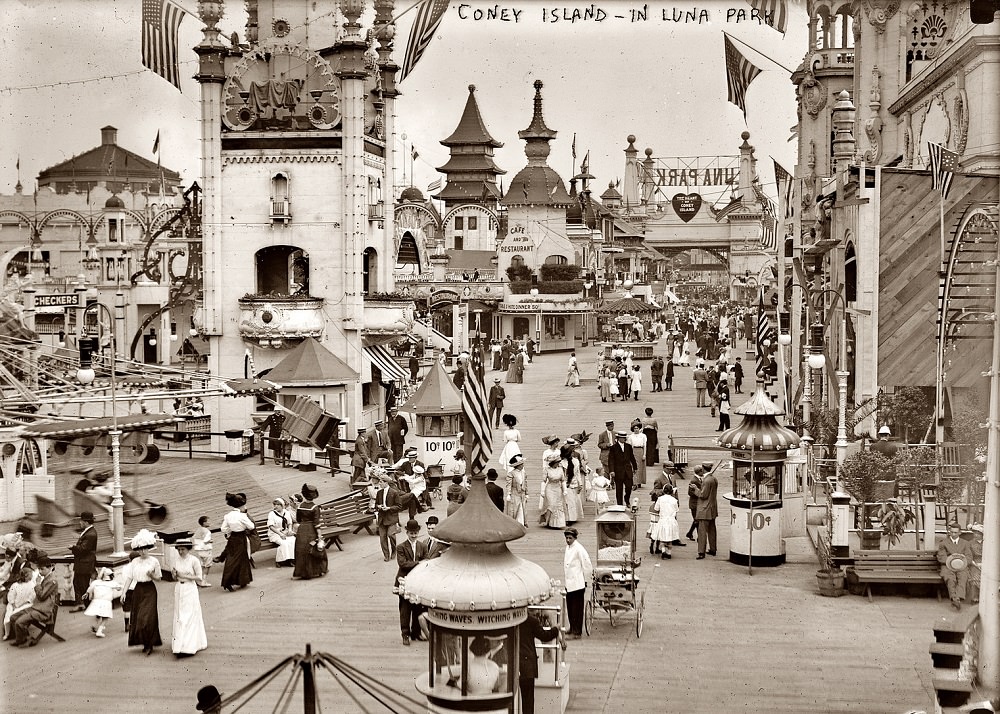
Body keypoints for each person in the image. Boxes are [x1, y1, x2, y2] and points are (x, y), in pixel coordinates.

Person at [120, 530, 163, 655]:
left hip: (149, 590)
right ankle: (145, 642)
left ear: (148, 548)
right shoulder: (134, 562)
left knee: (148, 617)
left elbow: (159, 578)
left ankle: (150, 644)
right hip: (138, 590)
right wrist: (124, 592)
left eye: (145, 549)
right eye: (140, 549)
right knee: (139, 618)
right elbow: (129, 578)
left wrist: (152, 575)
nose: (142, 552)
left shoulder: (154, 561)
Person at [10, 555, 58, 648]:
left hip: (44, 611)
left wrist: (38, 584)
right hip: (36, 607)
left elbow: (42, 596)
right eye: (39, 569)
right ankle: (21, 639)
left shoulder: (52, 581)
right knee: (13, 617)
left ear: (49, 568)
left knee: (19, 622)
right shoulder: (46, 578)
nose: (40, 572)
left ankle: (24, 640)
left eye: (42, 569)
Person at [518, 611, 561, 714]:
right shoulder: (531, 621)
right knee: (528, 698)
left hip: (513, 662)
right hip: (527, 663)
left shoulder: (511, 620)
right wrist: (556, 629)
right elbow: (545, 636)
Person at [170, 539, 208, 657]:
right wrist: (174, 574)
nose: (180, 552)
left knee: (189, 615)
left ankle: (188, 646)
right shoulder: (176, 560)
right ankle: (179, 645)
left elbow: (199, 577)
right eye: (179, 549)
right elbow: (174, 577)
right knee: (179, 615)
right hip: (179, 589)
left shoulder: (194, 560)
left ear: (188, 549)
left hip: (190, 589)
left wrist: (184, 575)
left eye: (183, 549)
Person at [395, 519, 428, 646]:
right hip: (404, 581)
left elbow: (427, 560)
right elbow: (402, 564)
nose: (414, 536)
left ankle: (416, 633)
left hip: (418, 582)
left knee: (417, 608)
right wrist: (418, 563)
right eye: (411, 534)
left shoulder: (422, 546)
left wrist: (421, 563)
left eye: (415, 533)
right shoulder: (401, 547)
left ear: (418, 532)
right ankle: (405, 634)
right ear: (407, 533)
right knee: (405, 609)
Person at [218, 492, 254, 591]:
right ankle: (242, 579)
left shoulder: (228, 516)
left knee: (232, 558)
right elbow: (251, 526)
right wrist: (242, 526)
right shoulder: (241, 516)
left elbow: (223, 529)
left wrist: (231, 530)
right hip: (241, 537)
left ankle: (228, 581)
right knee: (243, 558)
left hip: (233, 537)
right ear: (241, 505)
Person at [937, 522, 976, 610]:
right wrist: (952, 560)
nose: (953, 534)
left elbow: (969, 556)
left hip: (962, 566)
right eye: (951, 532)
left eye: (955, 532)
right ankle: (954, 598)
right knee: (950, 579)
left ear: (959, 533)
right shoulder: (943, 543)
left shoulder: (965, 543)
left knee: (963, 577)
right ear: (949, 532)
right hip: (947, 566)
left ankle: (958, 598)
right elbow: (941, 557)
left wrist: (962, 561)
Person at [293, 484, 328, 579]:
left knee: (301, 550)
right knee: (313, 549)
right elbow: (316, 523)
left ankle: (301, 572)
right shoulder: (315, 507)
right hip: (311, 530)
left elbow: (298, 519)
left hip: (302, 530)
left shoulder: (300, 507)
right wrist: (320, 536)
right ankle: (317, 571)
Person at [562, 528, 592, 639]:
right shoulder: (568, 548)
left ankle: (577, 632)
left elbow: (586, 563)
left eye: (570, 538)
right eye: (567, 538)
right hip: (569, 583)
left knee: (577, 609)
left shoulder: (579, 549)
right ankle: (572, 627)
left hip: (578, 583)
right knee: (570, 607)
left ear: (575, 538)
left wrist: (587, 579)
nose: (568, 540)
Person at [69, 511, 98, 612]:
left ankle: (85, 604)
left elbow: (83, 549)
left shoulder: (90, 534)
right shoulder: (90, 532)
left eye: (81, 521)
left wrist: (73, 547)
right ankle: (81, 603)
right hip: (83, 563)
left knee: (82, 584)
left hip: (84, 563)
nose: (80, 523)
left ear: (86, 522)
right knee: (78, 583)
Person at [82, 567, 120, 638]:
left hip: (96, 601)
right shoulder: (112, 583)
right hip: (106, 602)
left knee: (98, 614)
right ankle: (100, 630)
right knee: (105, 617)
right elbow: (118, 588)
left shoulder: (96, 582)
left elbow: (90, 588)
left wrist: (86, 593)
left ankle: (95, 625)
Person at [374, 474, 404, 561]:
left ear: (386, 482)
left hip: (391, 517)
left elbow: (399, 506)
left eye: (381, 482)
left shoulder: (394, 492)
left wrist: (389, 508)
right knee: (382, 538)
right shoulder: (379, 493)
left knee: (391, 535)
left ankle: (394, 550)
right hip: (382, 518)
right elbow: (376, 504)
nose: (379, 484)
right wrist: (378, 506)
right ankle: (386, 555)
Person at [695, 462, 719, 559]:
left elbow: (703, 495)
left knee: (702, 531)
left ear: (703, 469)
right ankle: (713, 549)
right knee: (712, 529)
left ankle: (701, 552)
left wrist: (696, 489)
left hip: (704, 509)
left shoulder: (706, 480)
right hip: (712, 508)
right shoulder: (713, 479)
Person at [4, 567, 35, 640]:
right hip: (14, 604)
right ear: (25, 576)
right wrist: (14, 604)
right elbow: (11, 596)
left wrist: (21, 605)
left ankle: (17, 632)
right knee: (8, 615)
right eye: (30, 576)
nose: (31, 578)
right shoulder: (15, 585)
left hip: (25, 605)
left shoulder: (32, 585)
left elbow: (31, 598)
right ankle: (8, 633)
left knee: (16, 614)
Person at [608, 431, 637, 506]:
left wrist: (635, 467)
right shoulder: (613, 448)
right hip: (618, 471)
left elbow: (632, 457)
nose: (624, 439)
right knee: (619, 489)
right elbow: (611, 460)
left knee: (629, 486)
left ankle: (627, 499)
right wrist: (612, 470)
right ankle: (619, 504)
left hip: (627, 470)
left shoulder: (628, 446)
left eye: (624, 438)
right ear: (618, 438)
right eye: (622, 438)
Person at [651, 485, 680, 559]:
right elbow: (676, 510)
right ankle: (669, 553)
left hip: (663, 520)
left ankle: (663, 551)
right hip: (671, 521)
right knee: (670, 538)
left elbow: (656, 508)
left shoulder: (660, 499)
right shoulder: (674, 500)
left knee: (663, 537)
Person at [539, 454, 568, 529]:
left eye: (558, 462)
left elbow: (563, 480)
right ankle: (548, 521)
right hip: (550, 488)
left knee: (558, 505)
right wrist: (542, 491)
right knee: (551, 504)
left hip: (558, 488)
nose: (558, 464)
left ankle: (558, 523)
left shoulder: (560, 469)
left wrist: (565, 490)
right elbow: (544, 481)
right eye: (556, 462)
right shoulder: (547, 469)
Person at [267, 498, 296, 568]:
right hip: (275, 534)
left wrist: (289, 530)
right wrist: (280, 534)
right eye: (275, 505)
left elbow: (289, 523)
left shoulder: (286, 512)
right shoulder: (271, 514)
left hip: (284, 532)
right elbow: (271, 526)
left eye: (278, 504)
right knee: (284, 543)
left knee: (293, 541)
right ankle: (280, 561)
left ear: (282, 505)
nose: (275, 506)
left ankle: (291, 559)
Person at [506, 455, 528, 526]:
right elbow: (509, 484)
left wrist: (527, 493)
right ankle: (514, 524)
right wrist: (508, 494)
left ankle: (522, 524)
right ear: (518, 465)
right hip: (514, 493)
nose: (522, 465)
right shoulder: (511, 473)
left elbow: (525, 483)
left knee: (523, 509)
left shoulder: (523, 473)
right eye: (521, 464)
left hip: (522, 494)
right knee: (514, 509)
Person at [192, 516, 214, 587]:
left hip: (198, 550)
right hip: (206, 550)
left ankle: (198, 580)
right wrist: (211, 541)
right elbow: (206, 541)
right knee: (207, 566)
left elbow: (194, 538)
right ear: (204, 523)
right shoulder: (207, 531)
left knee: (201, 565)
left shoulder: (198, 530)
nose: (210, 522)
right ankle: (204, 581)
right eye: (208, 521)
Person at [684, 466, 704, 541]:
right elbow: (690, 492)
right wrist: (699, 492)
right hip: (694, 503)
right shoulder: (694, 481)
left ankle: (690, 533)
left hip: (696, 503)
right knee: (697, 520)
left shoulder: (698, 479)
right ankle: (699, 536)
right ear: (699, 471)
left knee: (696, 520)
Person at [627, 420, 647, 488]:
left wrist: (644, 454)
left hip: (640, 450)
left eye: (637, 428)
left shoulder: (643, 436)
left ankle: (639, 482)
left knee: (641, 467)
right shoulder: (631, 436)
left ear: (639, 428)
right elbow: (629, 446)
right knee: (634, 466)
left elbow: (644, 445)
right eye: (634, 428)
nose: (636, 430)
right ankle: (634, 481)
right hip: (633, 451)